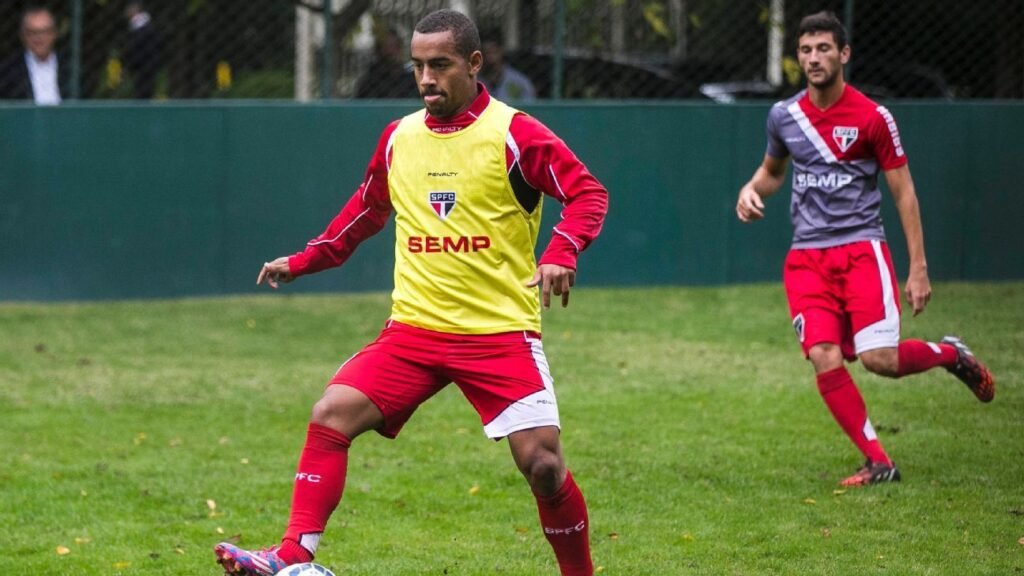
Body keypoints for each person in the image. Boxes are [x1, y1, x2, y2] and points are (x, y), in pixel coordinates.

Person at [214, 9, 607, 576]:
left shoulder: (514, 133)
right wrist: (303, 261)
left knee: (543, 464)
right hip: (414, 334)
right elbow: (366, 212)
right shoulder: (400, 137)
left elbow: (588, 193)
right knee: (331, 413)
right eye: (418, 66)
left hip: (497, 334)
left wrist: (561, 251)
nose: (426, 79)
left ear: (473, 64)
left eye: (440, 65)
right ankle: (294, 559)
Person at [735, 11, 995, 487]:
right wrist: (750, 190)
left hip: (861, 251)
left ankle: (949, 354)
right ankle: (879, 461)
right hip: (807, 259)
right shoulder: (784, 116)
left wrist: (918, 268)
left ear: (844, 54)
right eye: (806, 50)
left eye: (824, 49)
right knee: (823, 354)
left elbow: (904, 192)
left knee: (882, 361)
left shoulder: (874, 117)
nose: (814, 59)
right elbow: (772, 172)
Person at [0, 6, 64, 104]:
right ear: (23, 36)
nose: (39, 38)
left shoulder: (71, 65)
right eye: (32, 33)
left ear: (54, 34)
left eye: (44, 32)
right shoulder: (8, 70)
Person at [353, 26, 419, 98]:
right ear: (379, 50)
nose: (392, 51)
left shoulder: (410, 80)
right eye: (388, 46)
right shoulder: (370, 82)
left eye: (396, 46)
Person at [123, 1, 162, 99]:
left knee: (143, 94)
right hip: (144, 66)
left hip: (145, 66)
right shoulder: (142, 26)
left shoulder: (142, 28)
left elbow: (137, 48)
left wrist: (130, 66)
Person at [480, 32, 536, 101]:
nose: (490, 57)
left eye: (493, 52)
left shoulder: (518, 82)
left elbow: (529, 107)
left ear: (501, 51)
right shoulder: (474, 82)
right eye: (486, 53)